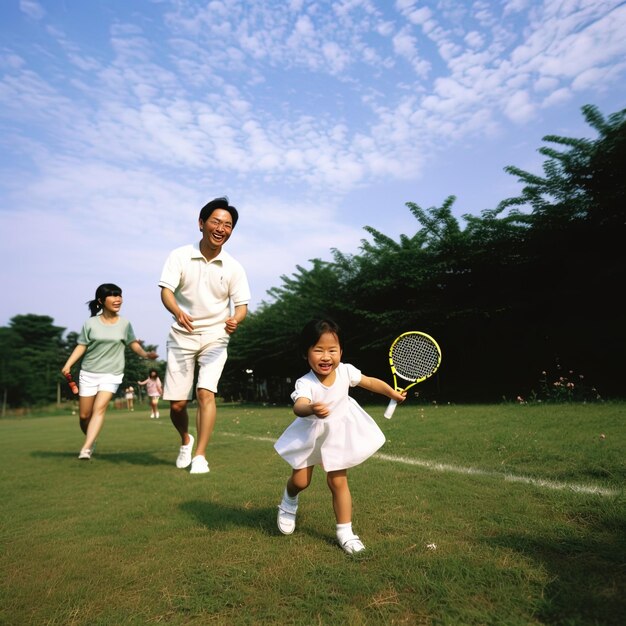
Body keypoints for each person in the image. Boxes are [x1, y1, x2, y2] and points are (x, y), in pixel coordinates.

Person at [274, 318, 406, 554]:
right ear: (306, 354)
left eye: (332, 350)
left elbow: (369, 382)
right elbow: (299, 406)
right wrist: (312, 408)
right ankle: (288, 500)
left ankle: (345, 531)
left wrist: (391, 392)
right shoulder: (305, 382)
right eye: (318, 350)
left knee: (338, 481)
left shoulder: (346, 371)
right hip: (311, 435)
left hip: (337, 436)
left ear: (341, 352)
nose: (326, 356)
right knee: (301, 481)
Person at [159, 196, 250, 474]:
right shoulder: (179, 256)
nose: (222, 228)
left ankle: (200, 456)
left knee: (205, 392)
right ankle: (186, 440)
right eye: (216, 221)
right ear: (201, 223)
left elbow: (242, 306)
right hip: (181, 335)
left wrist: (235, 319)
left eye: (228, 224)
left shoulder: (234, 266)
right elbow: (166, 291)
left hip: (215, 337)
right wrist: (177, 312)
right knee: (177, 405)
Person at [61, 283, 158, 460]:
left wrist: (145, 354)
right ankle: (91, 438)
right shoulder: (90, 323)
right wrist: (68, 365)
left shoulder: (125, 323)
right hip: (88, 372)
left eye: (119, 295)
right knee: (84, 416)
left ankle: (86, 447)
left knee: (99, 409)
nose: (118, 299)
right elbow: (81, 346)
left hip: (112, 373)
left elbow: (132, 343)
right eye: (113, 296)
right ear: (101, 300)